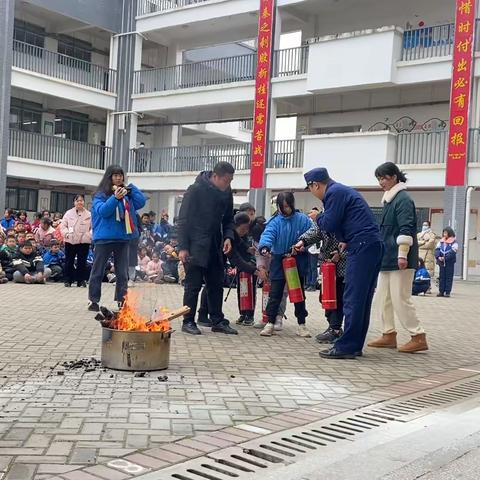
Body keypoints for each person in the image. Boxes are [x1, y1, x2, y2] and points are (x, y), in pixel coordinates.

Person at [297, 167, 383, 359]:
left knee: (353, 298)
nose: (312, 192)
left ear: (315, 185)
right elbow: (346, 221)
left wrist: (317, 217)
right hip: (369, 245)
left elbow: (330, 223)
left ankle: (346, 346)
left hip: (362, 246)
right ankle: (354, 344)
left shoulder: (334, 193)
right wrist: (343, 240)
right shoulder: (342, 191)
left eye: (311, 189)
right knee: (362, 299)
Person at [367, 163, 428, 353]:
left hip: (400, 258)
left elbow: (406, 228)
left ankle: (418, 336)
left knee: (400, 298)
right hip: (388, 257)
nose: (381, 182)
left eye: (384, 178)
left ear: (394, 177)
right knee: (383, 298)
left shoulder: (402, 199)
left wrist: (402, 254)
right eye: (379, 178)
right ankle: (388, 334)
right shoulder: (390, 199)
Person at [177, 161, 237, 335]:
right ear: (215, 176)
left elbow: (228, 220)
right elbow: (183, 220)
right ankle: (188, 321)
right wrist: (183, 247)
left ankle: (217, 320)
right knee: (193, 285)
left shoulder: (226, 193)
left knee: (216, 284)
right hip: (196, 244)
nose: (228, 184)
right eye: (226, 180)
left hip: (216, 244)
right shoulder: (195, 190)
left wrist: (228, 237)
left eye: (231, 181)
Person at [88, 164, 146, 312]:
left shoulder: (127, 194)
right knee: (98, 271)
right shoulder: (100, 194)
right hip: (104, 238)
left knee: (122, 273)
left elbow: (141, 202)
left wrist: (131, 189)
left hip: (122, 238)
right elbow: (103, 211)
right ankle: (93, 300)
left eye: (121, 175)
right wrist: (115, 198)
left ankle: (122, 301)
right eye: (115, 175)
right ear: (109, 177)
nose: (119, 178)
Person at [259, 192, 312, 338]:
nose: (285, 209)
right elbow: (268, 235)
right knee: (275, 293)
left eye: (288, 206)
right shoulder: (274, 221)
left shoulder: (303, 220)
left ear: (292, 204)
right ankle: (270, 322)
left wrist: (302, 246)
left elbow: (312, 235)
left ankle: (302, 324)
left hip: (297, 259)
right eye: (282, 207)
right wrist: (265, 247)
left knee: (298, 293)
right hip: (279, 259)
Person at [298, 222, 347, 344]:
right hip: (327, 267)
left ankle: (335, 329)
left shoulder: (345, 219)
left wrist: (341, 254)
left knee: (338, 299)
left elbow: (353, 241)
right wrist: (302, 241)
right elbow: (315, 231)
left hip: (343, 267)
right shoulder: (326, 218)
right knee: (325, 298)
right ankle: (332, 325)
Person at [60, 194, 92, 288]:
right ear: (74, 202)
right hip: (71, 240)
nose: (79, 202)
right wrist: (66, 234)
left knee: (82, 261)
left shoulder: (89, 214)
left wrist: (89, 235)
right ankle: (68, 280)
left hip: (84, 241)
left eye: (81, 200)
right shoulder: (68, 213)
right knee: (69, 261)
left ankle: (81, 280)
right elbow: (63, 226)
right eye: (77, 201)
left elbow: (93, 227)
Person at [435, 227, 458, 298]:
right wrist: (438, 257)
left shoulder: (454, 242)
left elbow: (453, 252)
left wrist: (445, 258)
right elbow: (437, 250)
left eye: (446, 233)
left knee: (448, 277)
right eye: (443, 233)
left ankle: (447, 292)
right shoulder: (441, 241)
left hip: (449, 262)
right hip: (441, 262)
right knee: (442, 277)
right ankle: (441, 291)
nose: (444, 234)